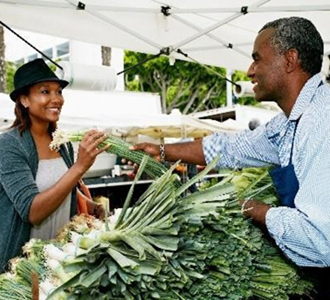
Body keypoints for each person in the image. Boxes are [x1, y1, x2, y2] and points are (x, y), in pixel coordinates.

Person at [130, 17, 330, 298]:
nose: (250, 71)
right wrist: (163, 151)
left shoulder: (323, 122)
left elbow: (321, 241)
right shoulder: (290, 122)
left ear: (290, 60)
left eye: (257, 59)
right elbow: (233, 147)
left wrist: (253, 209)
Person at [0, 58, 109, 273]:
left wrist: (90, 204)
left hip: (59, 258)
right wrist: (80, 166)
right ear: (24, 100)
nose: (56, 99)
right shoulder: (9, 145)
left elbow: (65, 189)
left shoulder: (62, 142)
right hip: (21, 265)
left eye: (58, 91)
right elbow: (32, 211)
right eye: (44, 91)